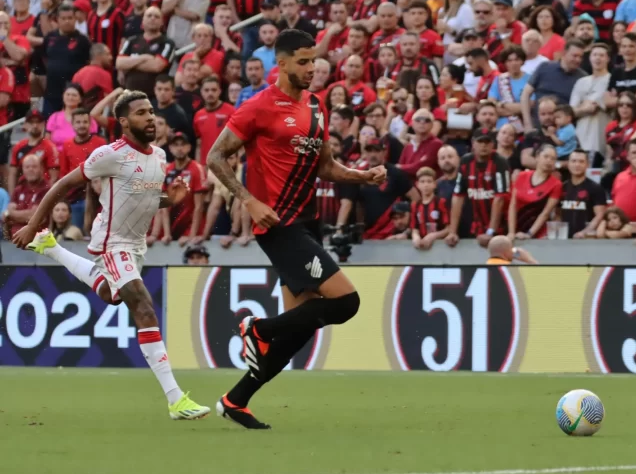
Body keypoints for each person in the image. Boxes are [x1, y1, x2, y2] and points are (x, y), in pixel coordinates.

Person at [205, 29, 387, 429]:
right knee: (346, 303)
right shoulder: (258, 107)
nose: (312, 68)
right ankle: (257, 328)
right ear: (281, 63)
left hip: (308, 223)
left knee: (300, 328)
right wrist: (249, 200)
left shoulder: (317, 107)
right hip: (279, 225)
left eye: (314, 61)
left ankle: (236, 400)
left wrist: (363, 176)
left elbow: (326, 167)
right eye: (303, 61)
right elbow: (215, 157)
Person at [12, 90, 210, 420]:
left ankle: (53, 249)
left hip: (136, 245)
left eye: (151, 112)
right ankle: (175, 399)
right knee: (143, 306)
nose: (150, 118)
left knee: (112, 294)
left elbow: (142, 197)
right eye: (141, 113)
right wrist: (34, 223)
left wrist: (169, 200)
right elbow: (62, 185)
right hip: (111, 241)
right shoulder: (110, 155)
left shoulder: (159, 157)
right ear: (123, 122)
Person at [446, 128, 510, 248]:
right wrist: (452, 232)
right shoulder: (465, 162)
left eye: (487, 142)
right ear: (473, 143)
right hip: (476, 226)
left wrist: (490, 232)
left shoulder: (500, 163)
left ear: (493, 144)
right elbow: (458, 197)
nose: (484, 146)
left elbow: (500, 199)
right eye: (480, 142)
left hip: (501, 226)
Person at [508, 144, 563, 239]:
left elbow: (545, 213)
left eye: (553, 159)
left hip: (539, 233)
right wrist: (511, 232)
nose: (549, 161)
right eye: (546, 156)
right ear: (537, 157)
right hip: (516, 228)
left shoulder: (556, 184)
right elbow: (512, 205)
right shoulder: (521, 176)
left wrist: (529, 234)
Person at [561, 149, 607, 238]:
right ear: (568, 164)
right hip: (564, 239)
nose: (577, 165)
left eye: (581, 162)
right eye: (574, 161)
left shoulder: (596, 188)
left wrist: (585, 232)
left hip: (586, 240)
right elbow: (557, 214)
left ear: (587, 165)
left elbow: (600, 215)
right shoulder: (562, 187)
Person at [46, 83, 99, 151]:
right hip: (57, 156)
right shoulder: (54, 117)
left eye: (74, 95)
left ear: (80, 99)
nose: (70, 98)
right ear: (63, 96)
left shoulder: (87, 118)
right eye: (68, 94)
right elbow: (47, 142)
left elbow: (93, 142)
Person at [410, 166, 449, 250]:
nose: (426, 185)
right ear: (417, 184)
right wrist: (415, 237)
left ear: (434, 184)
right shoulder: (415, 205)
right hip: (422, 246)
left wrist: (433, 236)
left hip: (440, 246)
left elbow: (448, 228)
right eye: (422, 182)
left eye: (429, 181)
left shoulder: (441, 202)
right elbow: (414, 228)